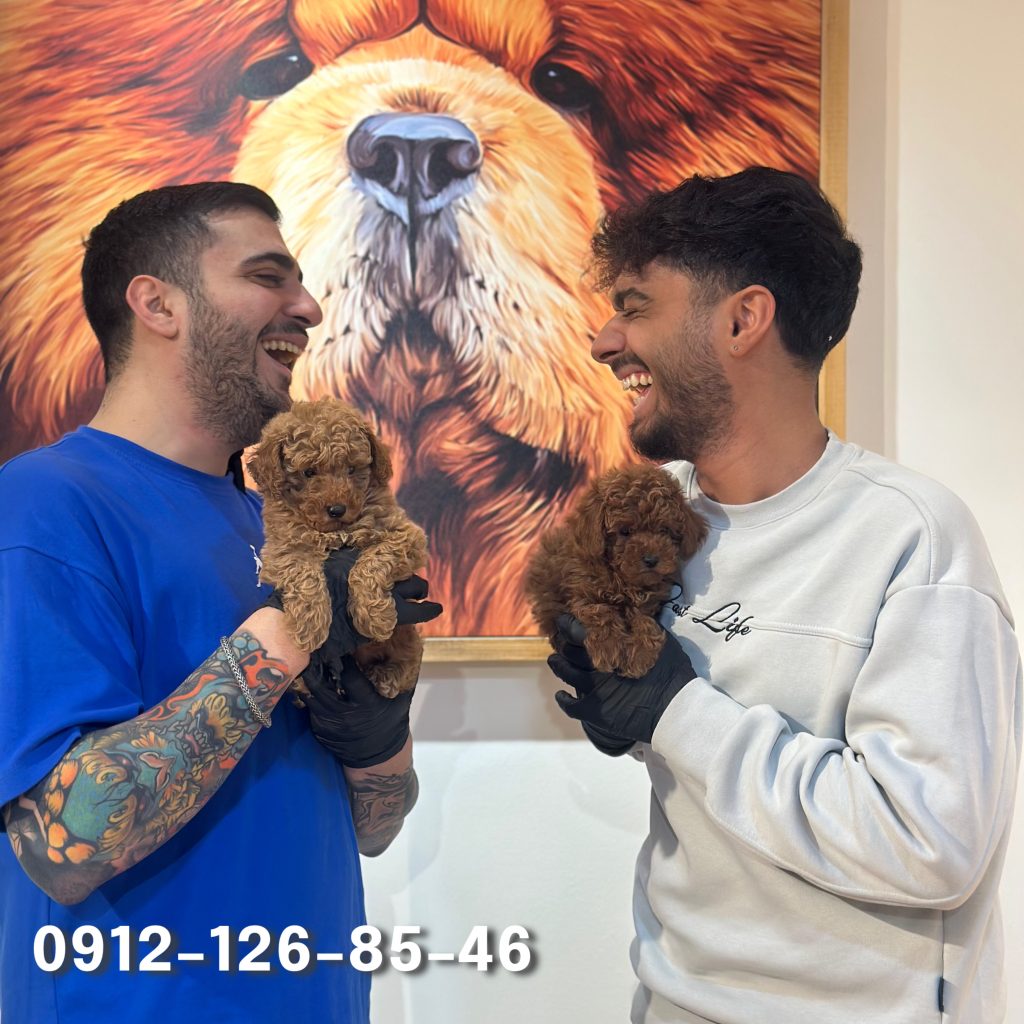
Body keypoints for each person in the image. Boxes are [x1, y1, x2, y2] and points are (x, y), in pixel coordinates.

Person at [547, 167, 1022, 1024]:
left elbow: (929, 844)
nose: (605, 338)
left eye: (636, 305)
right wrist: (632, 717)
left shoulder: (911, 539)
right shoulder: (666, 525)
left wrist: (677, 711)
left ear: (742, 319)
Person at [0, 182, 441, 1023]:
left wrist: (380, 736)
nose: (306, 306)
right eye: (268, 276)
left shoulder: (271, 521)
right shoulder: (44, 506)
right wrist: (287, 634)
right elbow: (62, 843)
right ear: (157, 303)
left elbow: (374, 828)